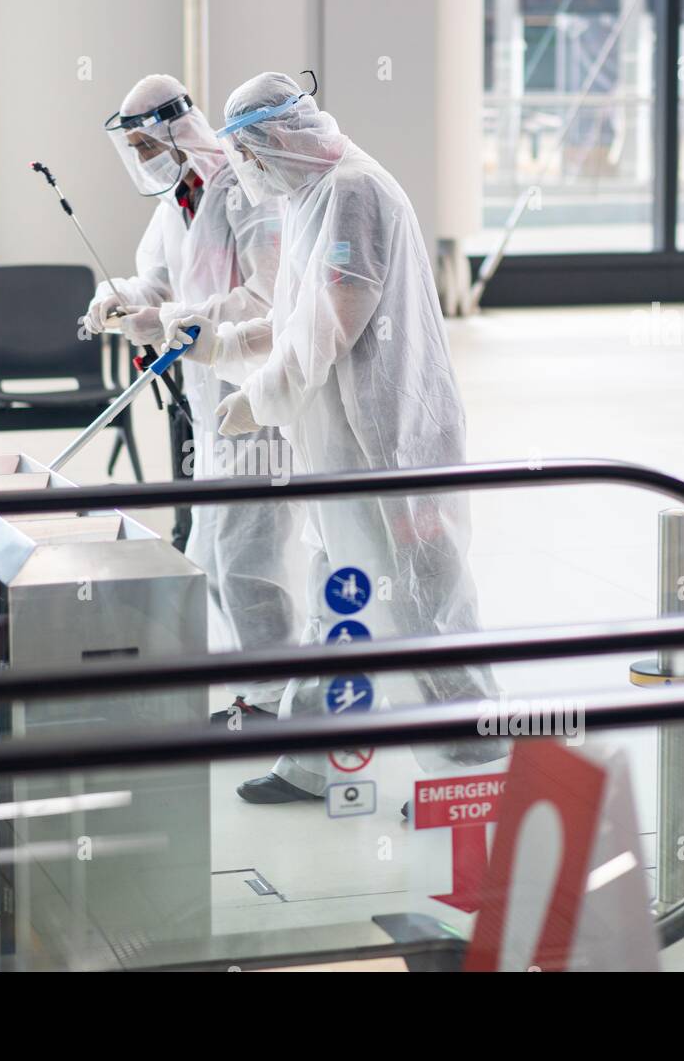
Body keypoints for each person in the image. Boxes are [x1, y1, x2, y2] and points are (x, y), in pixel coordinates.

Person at [164, 72, 504, 804]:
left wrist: (260, 397)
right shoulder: (310, 197)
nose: (244, 171)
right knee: (339, 596)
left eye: (247, 153)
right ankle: (315, 761)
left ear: (277, 140)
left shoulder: (354, 192)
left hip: (392, 440)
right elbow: (293, 322)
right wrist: (219, 345)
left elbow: (331, 326)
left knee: (424, 605)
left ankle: (479, 769)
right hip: (342, 444)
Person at [82, 74, 304, 721]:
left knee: (247, 553)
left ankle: (271, 695)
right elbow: (154, 278)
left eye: (150, 145)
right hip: (212, 402)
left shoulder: (246, 195)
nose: (144, 160)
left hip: (257, 395)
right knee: (211, 546)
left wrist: (175, 318)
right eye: (137, 151)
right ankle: (248, 681)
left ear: (179, 131)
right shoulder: (174, 204)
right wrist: (117, 299)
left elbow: (269, 300)